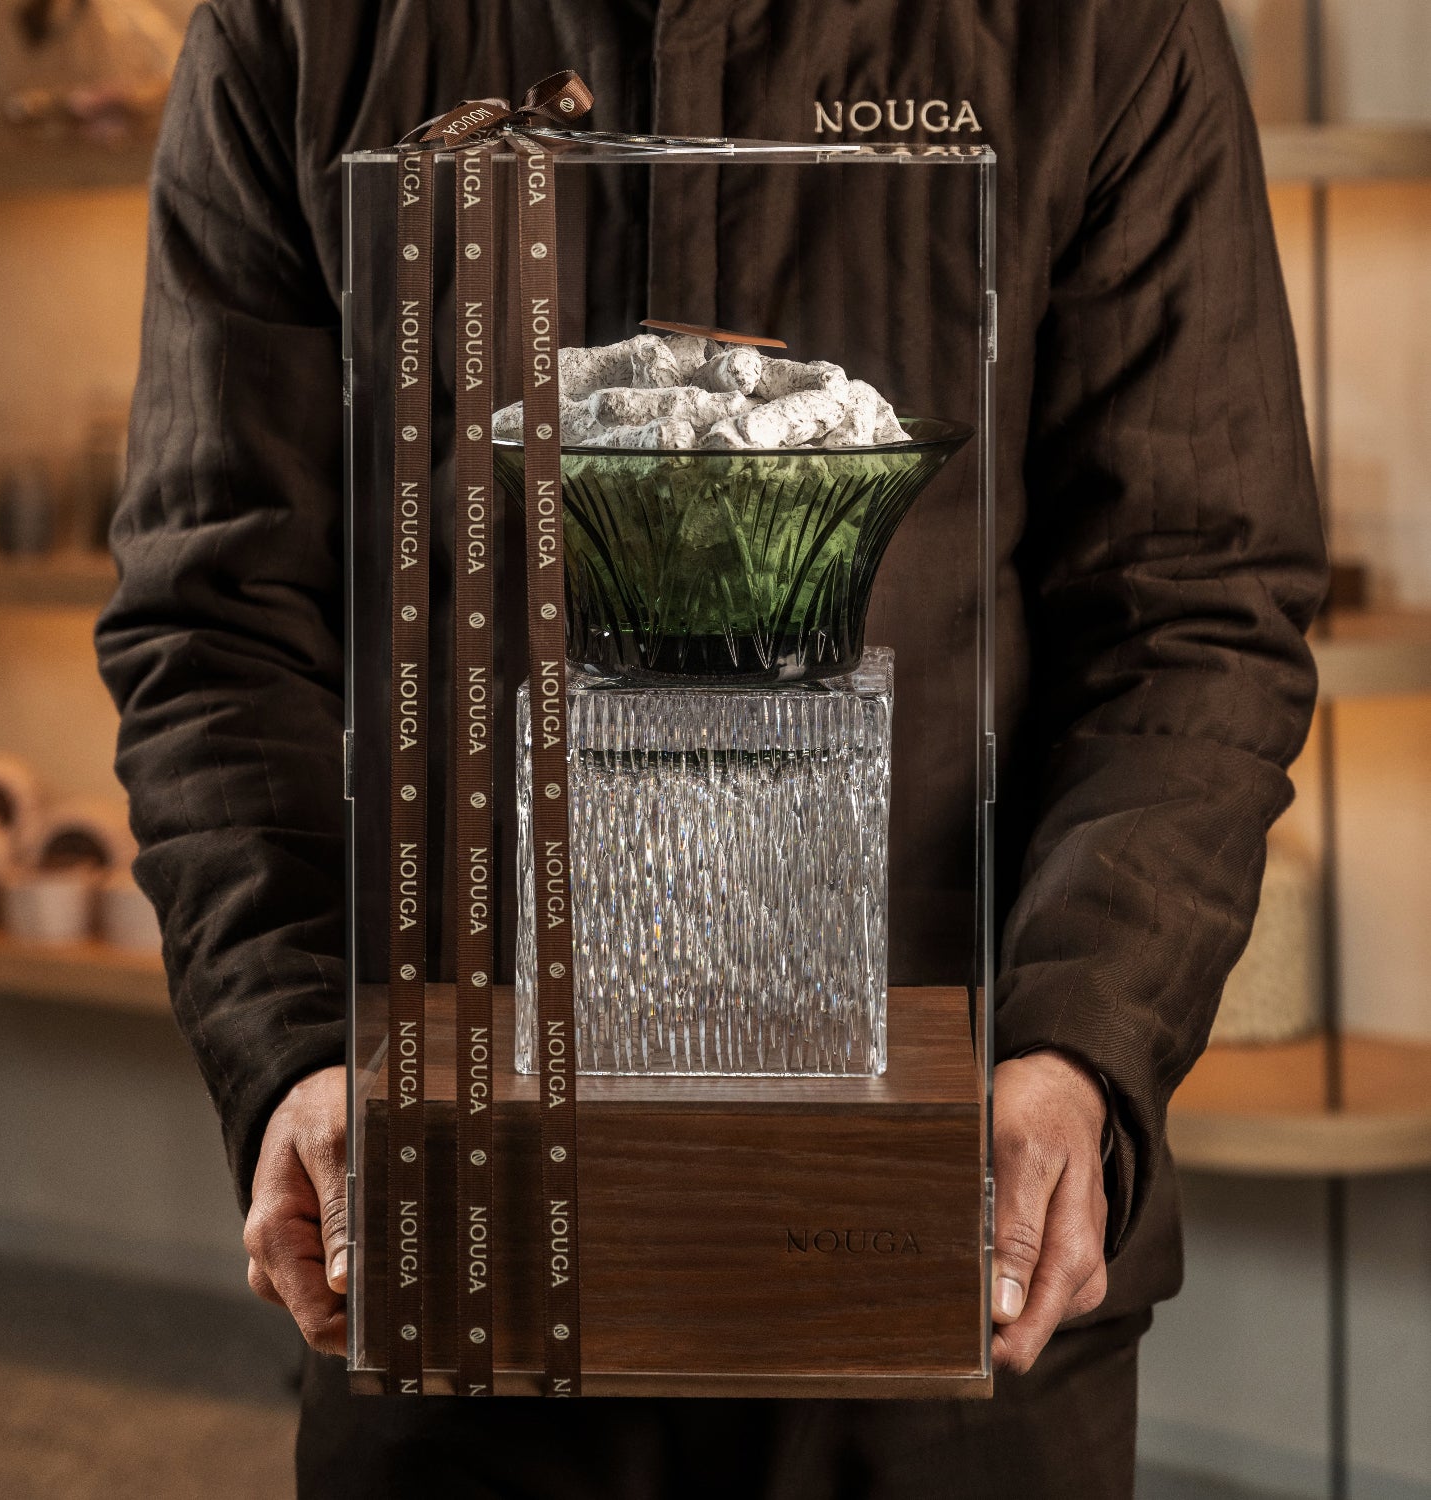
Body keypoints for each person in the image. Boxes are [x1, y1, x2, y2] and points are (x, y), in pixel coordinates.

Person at [95, 1, 1326, 1495]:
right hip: (467, 1223)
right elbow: (213, 619)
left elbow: (1193, 609)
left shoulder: (1107, 28)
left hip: (949, 1242)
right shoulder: (297, 26)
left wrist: (1079, 1045)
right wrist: (295, 1051)